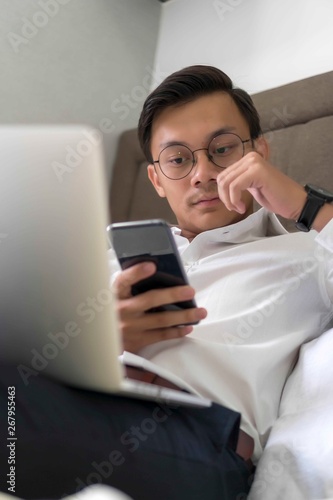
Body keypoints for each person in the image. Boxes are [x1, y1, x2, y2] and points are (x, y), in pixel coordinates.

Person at [1, 65, 332, 500]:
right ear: (156, 179)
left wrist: (305, 205)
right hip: (76, 406)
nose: (202, 174)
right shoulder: (100, 262)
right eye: (178, 159)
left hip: (196, 439)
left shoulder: (309, 254)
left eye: (223, 148)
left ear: (261, 153)